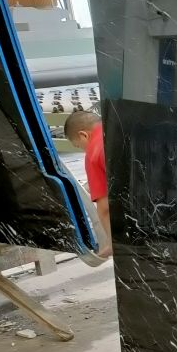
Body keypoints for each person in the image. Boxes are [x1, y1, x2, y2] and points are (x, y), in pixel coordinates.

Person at [63, 110, 112, 257]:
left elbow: (105, 208)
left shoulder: (93, 153)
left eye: (79, 146)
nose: (83, 150)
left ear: (83, 135)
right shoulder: (123, 129)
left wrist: (112, 243)